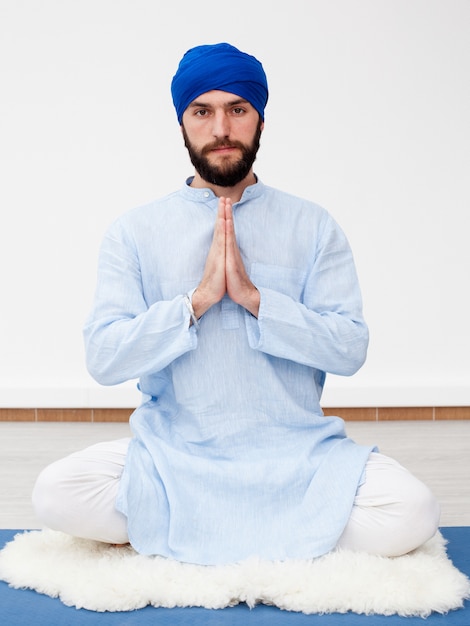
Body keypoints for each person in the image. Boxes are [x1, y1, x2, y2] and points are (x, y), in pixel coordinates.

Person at [32, 43, 440, 565]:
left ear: (260, 122)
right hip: (174, 455)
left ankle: (187, 532)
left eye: (237, 109)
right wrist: (196, 303)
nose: (221, 127)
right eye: (203, 111)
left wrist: (255, 301)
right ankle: (284, 535)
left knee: (413, 510)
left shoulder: (312, 226)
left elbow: (349, 348)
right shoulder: (133, 232)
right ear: (182, 124)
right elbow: (104, 357)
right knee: (55, 492)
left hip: (298, 456)